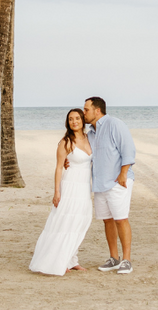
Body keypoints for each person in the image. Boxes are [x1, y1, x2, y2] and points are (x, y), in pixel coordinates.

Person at [29, 109, 94, 276]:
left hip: (84, 188)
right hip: (70, 187)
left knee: (79, 223)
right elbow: (59, 168)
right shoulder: (65, 142)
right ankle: (60, 261)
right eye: (71, 119)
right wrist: (57, 192)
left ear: (82, 120)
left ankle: (72, 260)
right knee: (64, 224)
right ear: (68, 122)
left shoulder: (90, 138)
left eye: (77, 118)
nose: (74, 122)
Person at [83, 96, 136, 274]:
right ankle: (114, 258)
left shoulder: (115, 124)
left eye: (86, 110)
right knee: (107, 220)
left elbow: (128, 150)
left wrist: (123, 174)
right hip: (99, 184)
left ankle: (126, 260)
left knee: (121, 219)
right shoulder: (90, 133)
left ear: (97, 111)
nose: (84, 113)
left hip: (117, 181)